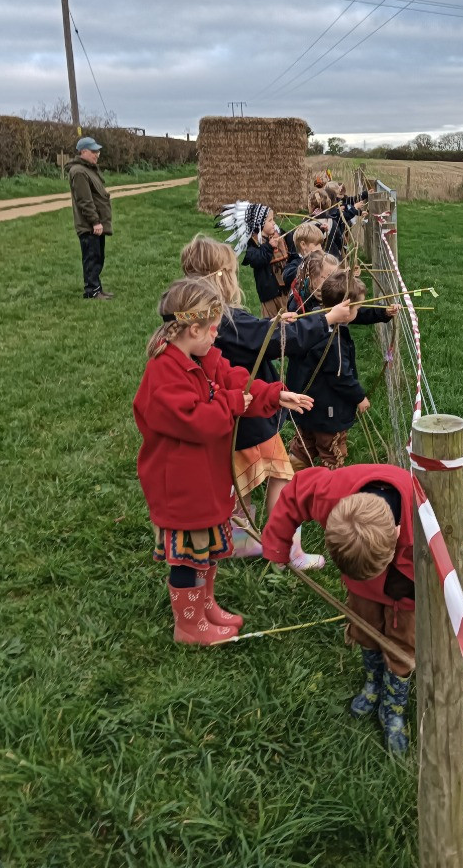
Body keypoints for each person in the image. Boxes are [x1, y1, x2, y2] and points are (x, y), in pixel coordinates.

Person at [133, 276, 313, 645]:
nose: (218, 336)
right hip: (181, 488)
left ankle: (206, 606)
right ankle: (188, 625)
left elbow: (236, 381)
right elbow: (198, 421)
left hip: (205, 479)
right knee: (187, 558)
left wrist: (274, 395)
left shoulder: (202, 357)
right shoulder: (164, 375)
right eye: (213, 329)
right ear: (193, 329)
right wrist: (231, 405)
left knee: (207, 549)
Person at [180, 234, 351, 569]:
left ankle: (240, 540)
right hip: (250, 416)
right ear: (222, 278)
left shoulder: (196, 317)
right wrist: (328, 319)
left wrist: (273, 322)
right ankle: (286, 549)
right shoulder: (225, 318)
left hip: (230, 415)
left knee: (239, 480)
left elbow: (259, 334)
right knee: (282, 475)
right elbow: (273, 341)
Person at [261, 462, 415, 754]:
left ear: (396, 534)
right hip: (362, 588)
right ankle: (373, 682)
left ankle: (394, 705)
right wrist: (278, 547)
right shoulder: (332, 494)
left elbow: (453, 549)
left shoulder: (423, 514)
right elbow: (294, 494)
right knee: (364, 625)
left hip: (408, 590)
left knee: (403, 643)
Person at [285, 270, 373, 471]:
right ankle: (329, 489)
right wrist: (359, 397)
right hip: (328, 412)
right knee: (331, 451)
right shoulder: (334, 341)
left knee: (304, 444)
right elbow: (341, 376)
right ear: (347, 310)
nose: (358, 312)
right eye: (358, 308)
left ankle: (291, 478)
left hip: (305, 404)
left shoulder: (312, 323)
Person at [219, 201, 291, 317]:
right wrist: (268, 246)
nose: (273, 223)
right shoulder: (253, 243)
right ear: (260, 224)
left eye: (273, 220)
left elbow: (295, 251)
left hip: (287, 290)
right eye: (270, 220)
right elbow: (258, 259)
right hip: (269, 296)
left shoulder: (282, 235)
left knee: (290, 319)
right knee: (272, 324)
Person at [66, 136, 113, 300]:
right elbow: (85, 201)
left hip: (96, 225)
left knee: (98, 257)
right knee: (91, 258)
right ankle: (92, 291)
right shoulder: (78, 172)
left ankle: (97, 288)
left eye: (98, 151)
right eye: (93, 151)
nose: (97, 154)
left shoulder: (89, 169)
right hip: (89, 226)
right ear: (83, 152)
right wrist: (95, 222)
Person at [281, 221, 325, 292]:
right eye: (316, 246)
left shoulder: (321, 258)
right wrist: (306, 265)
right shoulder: (296, 262)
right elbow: (286, 276)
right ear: (303, 245)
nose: (320, 250)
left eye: (320, 246)